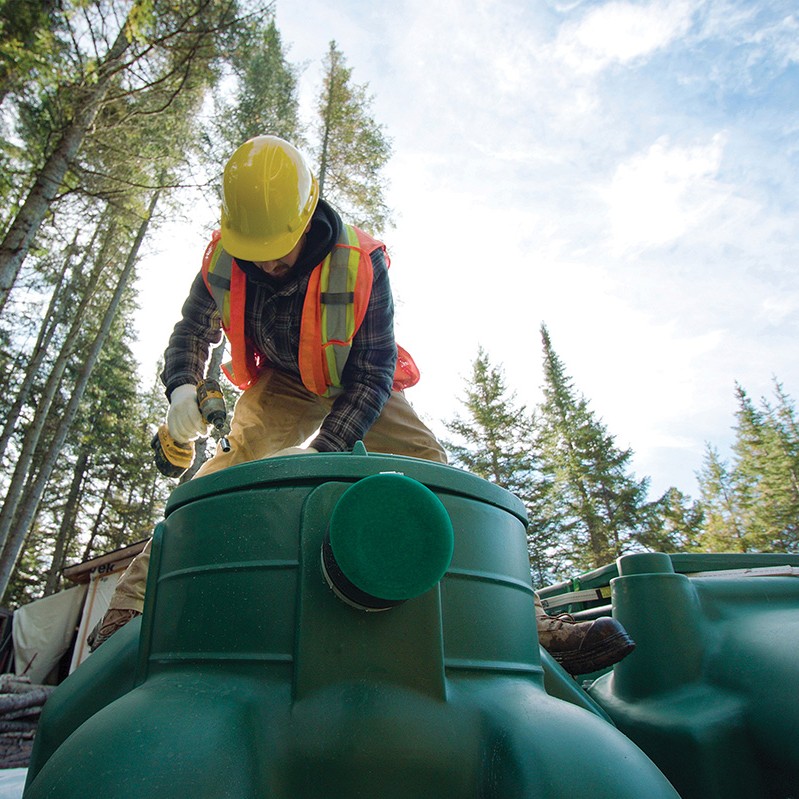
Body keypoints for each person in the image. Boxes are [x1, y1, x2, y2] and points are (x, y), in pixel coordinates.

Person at [89, 135, 634, 676]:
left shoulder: (363, 263)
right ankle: (128, 607)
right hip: (286, 380)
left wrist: (326, 458)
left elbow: (373, 374)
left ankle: (528, 622)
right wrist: (181, 385)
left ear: (306, 217)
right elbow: (193, 328)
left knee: (434, 474)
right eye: (256, 252)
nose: (268, 265)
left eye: (279, 249)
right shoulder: (228, 256)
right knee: (231, 465)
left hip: (361, 379)